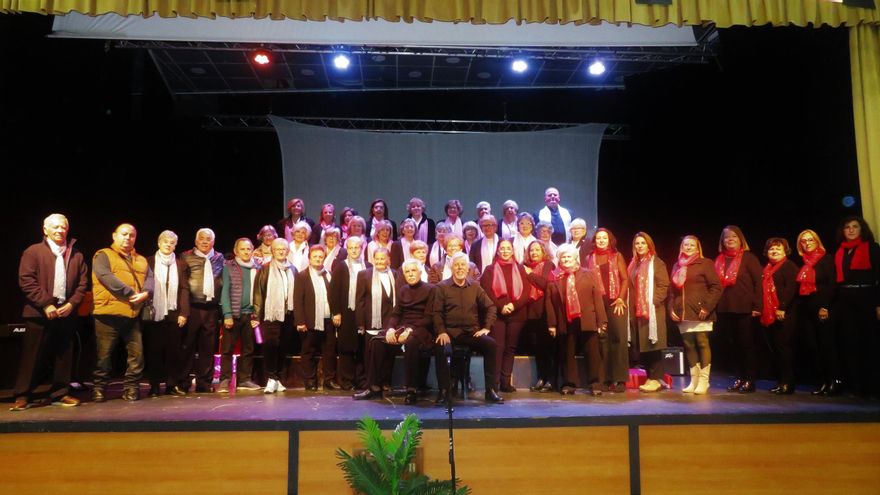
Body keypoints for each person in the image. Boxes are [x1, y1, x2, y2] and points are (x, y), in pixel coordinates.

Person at [12, 213, 88, 411]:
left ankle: (60, 393)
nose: (59, 230)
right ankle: (23, 394)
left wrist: (72, 304)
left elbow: (82, 284)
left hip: (66, 312)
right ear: (45, 230)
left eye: (63, 227)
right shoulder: (33, 251)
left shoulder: (76, 254)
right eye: (54, 227)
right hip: (39, 313)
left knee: (64, 356)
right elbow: (26, 280)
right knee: (32, 356)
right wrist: (46, 304)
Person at [91, 223, 153, 402]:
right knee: (103, 355)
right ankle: (99, 388)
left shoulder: (141, 259)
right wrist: (132, 293)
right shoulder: (103, 255)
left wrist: (147, 293)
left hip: (132, 314)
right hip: (107, 314)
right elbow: (105, 277)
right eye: (124, 234)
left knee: (137, 355)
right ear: (114, 235)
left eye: (132, 235)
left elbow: (150, 278)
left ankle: (132, 388)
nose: (128, 238)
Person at [433, 252, 503, 404]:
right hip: (450, 332)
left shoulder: (475, 287)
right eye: (457, 265)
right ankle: (444, 390)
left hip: (471, 332)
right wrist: (442, 331)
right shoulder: (441, 287)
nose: (460, 268)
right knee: (440, 346)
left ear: (468, 268)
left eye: (463, 265)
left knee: (491, 345)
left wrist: (486, 327)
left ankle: (491, 390)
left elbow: (491, 306)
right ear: (452, 267)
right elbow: (436, 312)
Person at [546, 243, 607, 396]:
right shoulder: (554, 278)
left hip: (587, 318)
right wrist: (552, 324)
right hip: (565, 320)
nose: (566, 259)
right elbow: (549, 303)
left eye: (569, 257)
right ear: (559, 260)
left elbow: (597, 298)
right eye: (563, 257)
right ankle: (569, 384)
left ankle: (595, 384)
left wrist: (602, 321)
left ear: (575, 258)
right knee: (568, 353)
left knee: (593, 353)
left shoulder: (589, 274)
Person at [832, 216, 880, 397]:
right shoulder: (840, 251)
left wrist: (878, 303)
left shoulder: (872, 248)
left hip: (866, 297)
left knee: (870, 343)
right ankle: (858, 387)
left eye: (855, 227)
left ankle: (874, 387)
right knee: (851, 344)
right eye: (847, 227)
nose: (851, 230)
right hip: (846, 300)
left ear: (862, 229)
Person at [669, 235, 722, 395]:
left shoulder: (705, 263)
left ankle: (704, 381)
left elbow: (716, 287)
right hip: (683, 312)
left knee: (702, 342)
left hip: (700, 311)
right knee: (689, 344)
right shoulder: (677, 265)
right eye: (686, 244)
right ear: (682, 247)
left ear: (698, 247)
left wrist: (707, 307)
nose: (688, 247)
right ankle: (694, 380)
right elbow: (672, 291)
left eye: (692, 245)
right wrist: (671, 308)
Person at [714, 225, 763, 394]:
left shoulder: (749, 258)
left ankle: (750, 379)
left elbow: (759, 283)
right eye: (727, 237)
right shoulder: (719, 259)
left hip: (745, 309)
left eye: (734, 236)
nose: (730, 239)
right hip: (725, 308)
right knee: (733, 346)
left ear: (740, 239)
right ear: (722, 241)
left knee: (746, 345)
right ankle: (739, 378)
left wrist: (758, 306)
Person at [480, 239, 532, 392]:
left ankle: (505, 382)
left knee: (510, 348)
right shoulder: (489, 270)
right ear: (497, 251)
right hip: (497, 314)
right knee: (498, 347)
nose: (505, 251)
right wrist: (501, 306)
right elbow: (486, 292)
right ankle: (494, 384)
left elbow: (526, 292)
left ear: (512, 250)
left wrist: (513, 305)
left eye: (508, 248)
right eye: (502, 248)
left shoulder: (521, 269)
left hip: (517, 314)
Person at [178, 228, 225, 394]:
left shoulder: (220, 258)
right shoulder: (185, 256)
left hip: (211, 308)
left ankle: (204, 383)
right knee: (187, 345)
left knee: (208, 347)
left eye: (209, 239)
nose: (205, 242)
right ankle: (183, 382)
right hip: (192, 307)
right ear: (196, 241)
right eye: (202, 239)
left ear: (213, 241)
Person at [144, 230, 189, 397]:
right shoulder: (148, 262)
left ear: (175, 245)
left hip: (174, 311)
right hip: (154, 311)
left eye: (172, 243)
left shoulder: (181, 264)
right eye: (165, 242)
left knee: (174, 351)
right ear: (159, 243)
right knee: (154, 350)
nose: (168, 245)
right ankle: (154, 385)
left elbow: (184, 289)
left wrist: (184, 312)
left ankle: (172, 384)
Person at [795, 229, 840, 396]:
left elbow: (832, 284)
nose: (807, 243)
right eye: (803, 241)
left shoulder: (826, 258)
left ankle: (834, 382)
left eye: (810, 240)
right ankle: (822, 382)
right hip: (807, 309)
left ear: (817, 241)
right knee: (814, 347)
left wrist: (825, 306)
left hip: (823, 307)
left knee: (827, 346)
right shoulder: (804, 262)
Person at [585, 228, 630, 392]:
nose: (601, 240)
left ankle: (619, 379)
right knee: (601, 339)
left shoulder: (617, 256)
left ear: (610, 240)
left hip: (615, 302)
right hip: (598, 303)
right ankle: (604, 378)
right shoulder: (589, 258)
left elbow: (625, 279)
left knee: (618, 338)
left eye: (604, 238)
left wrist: (620, 298)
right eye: (598, 238)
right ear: (594, 241)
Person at [352, 248, 399, 398]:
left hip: (390, 321)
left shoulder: (396, 274)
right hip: (371, 320)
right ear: (373, 259)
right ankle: (372, 385)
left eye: (382, 259)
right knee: (371, 355)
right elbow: (359, 301)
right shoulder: (364, 275)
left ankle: (385, 382)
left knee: (388, 354)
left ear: (388, 259)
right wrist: (360, 323)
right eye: (377, 259)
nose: (379, 261)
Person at [626, 232, 670, 393]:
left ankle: (656, 379)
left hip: (652, 311)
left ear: (649, 245)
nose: (640, 246)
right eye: (637, 243)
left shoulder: (656, 263)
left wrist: (653, 302)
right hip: (637, 311)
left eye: (643, 243)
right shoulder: (633, 264)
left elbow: (663, 285)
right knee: (642, 346)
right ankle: (650, 378)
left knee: (653, 345)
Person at [217, 238, 261, 393]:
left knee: (248, 349)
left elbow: (260, 293)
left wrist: (257, 315)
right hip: (233, 315)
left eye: (248, 249)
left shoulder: (257, 267)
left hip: (250, 315)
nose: (246, 252)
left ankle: (244, 379)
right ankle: (224, 380)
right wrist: (227, 314)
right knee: (227, 349)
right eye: (242, 249)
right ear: (236, 251)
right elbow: (225, 292)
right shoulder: (229, 266)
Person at [252, 238, 296, 394]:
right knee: (271, 346)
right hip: (270, 315)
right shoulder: (264, 269)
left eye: (284, 249)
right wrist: (256, 316)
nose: (281, 251)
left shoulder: (293, 269)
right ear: (273, 251)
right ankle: (271, 378)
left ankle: (278, 378)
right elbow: (258, 294)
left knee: (283, 346)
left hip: (288, 314)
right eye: (278, 249)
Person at [294, 245, 339, 391]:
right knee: (308, 352)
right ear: (309, 259)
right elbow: (298, 300)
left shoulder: (329, 274)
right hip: (309, 321)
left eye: (321, 256)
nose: (318, 259)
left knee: (330, 352)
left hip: (327, 320)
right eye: (315, 257)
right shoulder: (302, 276)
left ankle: (329, 380)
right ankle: (310, 381)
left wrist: (336, 313)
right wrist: (300, 321)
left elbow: (334, 297)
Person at [759, 238, 800, 395]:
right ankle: (781, 381)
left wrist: (782, 307)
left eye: (778, 248)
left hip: (785, 313)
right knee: (777, 348)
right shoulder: (767, 269)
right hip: (771, 314)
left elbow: (791, 288)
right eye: (771, 249)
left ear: (785, 251)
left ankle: (788, 383)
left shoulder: (789, 266)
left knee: (784, 347)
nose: (774, 251)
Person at [329, 236, 368, 390]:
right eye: (350, 248)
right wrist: (336, 312)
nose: (353, 250)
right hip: (347, 312)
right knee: (347, 348)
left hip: (363, 313)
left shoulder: (368, 266)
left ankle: (361, 380)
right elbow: (334, 291)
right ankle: (346, 380)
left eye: (356, 247)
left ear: (362, 248)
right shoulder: (341, 266)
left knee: (361, 347)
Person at [523, 240, 557, 392]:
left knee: (548, 348)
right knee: (537, 349)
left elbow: (546, 285)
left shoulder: (549, 265)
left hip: (545, 312)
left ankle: (550, 379)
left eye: (537, 250)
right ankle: (541, 377)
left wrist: (530, 275)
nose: (534, 253)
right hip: (530, 313)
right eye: (531, 250)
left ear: (543, 251)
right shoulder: (524, 267)